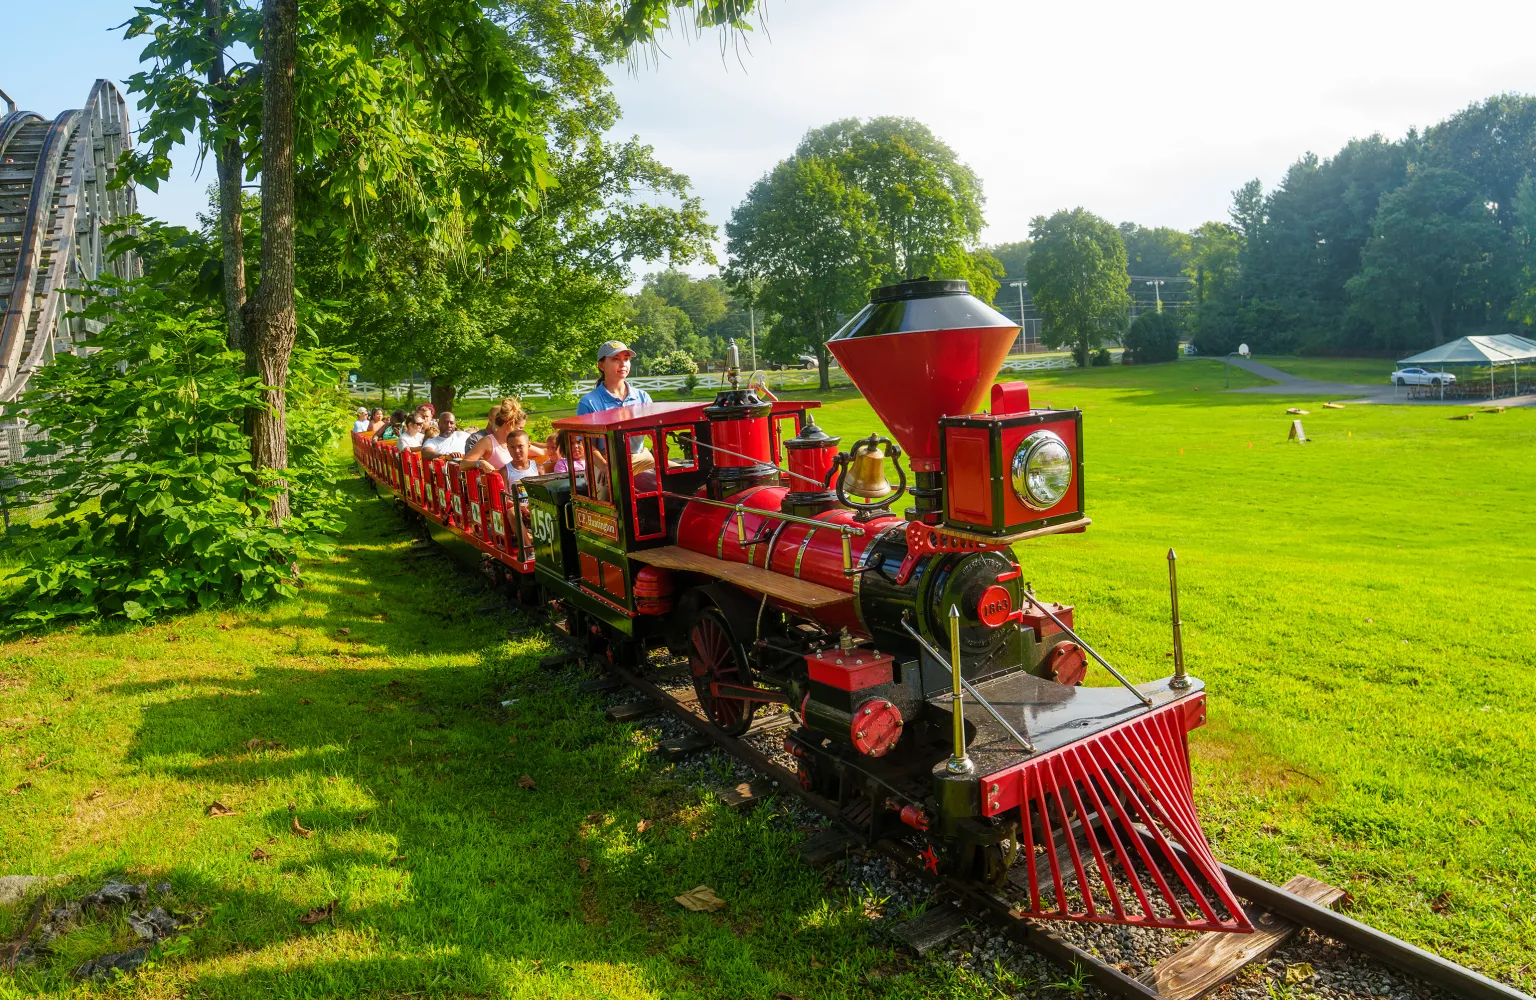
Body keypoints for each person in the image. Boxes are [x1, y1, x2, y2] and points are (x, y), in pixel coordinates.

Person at [577, 341, 651, 415]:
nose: (623, 364)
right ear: (601, 366)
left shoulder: (643, 397)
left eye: (626, 359)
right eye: (616, 359)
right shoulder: (589, 403)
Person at [461, 400, 519, 474]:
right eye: (517, 425)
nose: (519, 429)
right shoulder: (483, 440)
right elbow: (464, 464)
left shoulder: (513, 440)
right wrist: (480, 463)